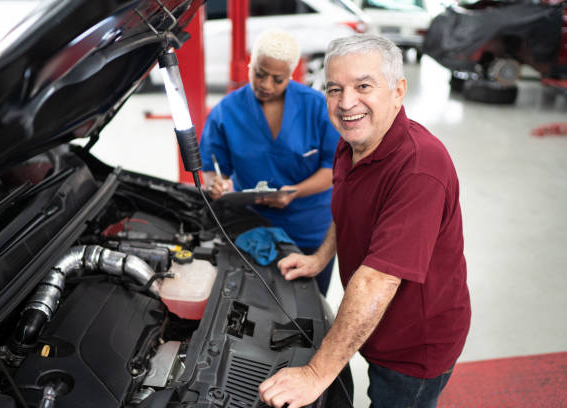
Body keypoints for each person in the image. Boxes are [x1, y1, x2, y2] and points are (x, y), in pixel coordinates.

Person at [258, 34, 471, 408]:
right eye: (335, 89)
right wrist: (321, 258)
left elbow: (377, 280)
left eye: (363, 86)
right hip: (377, 327)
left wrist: (315, 374)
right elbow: (348, 209)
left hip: (413, 347)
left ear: (398, 90)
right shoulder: (353, 141)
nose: (346, 102)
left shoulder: (420, 169)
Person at [199, 28, 340, 295]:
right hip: (254, 229)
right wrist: (216, 185)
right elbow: (213, 168)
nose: (266, 85)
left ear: (292, 73)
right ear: (250, 64)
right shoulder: (226, 112)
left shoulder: (317, 107)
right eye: (260, 74)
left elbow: (335, 169)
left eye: (278, 79)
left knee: (310, 304)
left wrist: (294, 192)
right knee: (257, 301)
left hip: (310, 230)